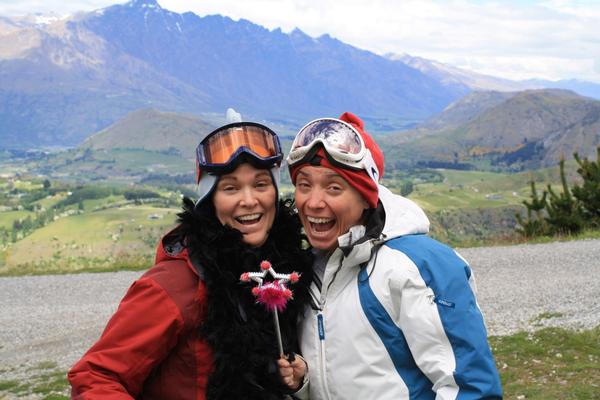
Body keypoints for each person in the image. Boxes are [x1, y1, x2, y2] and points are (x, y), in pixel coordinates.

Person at [68, 121, 313, 399]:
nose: (249, 200)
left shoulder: (278, 271)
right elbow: (95, 376)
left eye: (260, 184)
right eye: (230, 188)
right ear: (210, 201)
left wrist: (296, 377)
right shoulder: (171, 286)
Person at [282, 112, 503, 399]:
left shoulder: (417, 266)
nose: (313, 202)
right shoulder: (312, 268)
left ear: (366, 197)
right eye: (304, 185)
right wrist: (305, 381)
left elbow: (469, 388)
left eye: (333, 187)